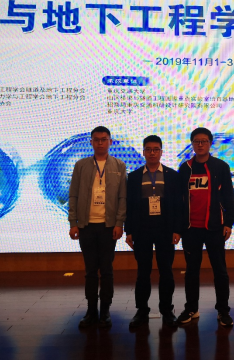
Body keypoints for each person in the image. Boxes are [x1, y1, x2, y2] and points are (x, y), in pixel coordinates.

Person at [68, 126, 127, 328]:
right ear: (91, 142)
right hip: (86, 226)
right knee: (90, 270)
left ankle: (105, 311)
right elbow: (73, 195)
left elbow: (122, 198)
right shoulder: (81, 165)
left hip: (108, 227)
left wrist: (119, 223)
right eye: (96, 139)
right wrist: (73, 223)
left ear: (110, 141)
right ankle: (91, 310)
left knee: (107, 270)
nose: (100, 142)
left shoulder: (119, 165)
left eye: (104, 139)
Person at [177, 128, 234, 327]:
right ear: (192, 144)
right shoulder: (185, 168)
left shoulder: (220, 167)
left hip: (215, 228)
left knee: (220, 271)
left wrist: (228, 222)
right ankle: (191, 308)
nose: (200, 144)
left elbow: (228, 196)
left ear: (210, 143)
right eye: (196, 141)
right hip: (191, 229)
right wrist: (179, 227)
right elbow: (180, 200)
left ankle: (223, 311)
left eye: (204, 141)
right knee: (191, 271)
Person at [125, 135, 185, 328]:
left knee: (166, 271)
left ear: (161, 152)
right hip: (142, 230)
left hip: (165, 230)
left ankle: (167, 310)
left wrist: (177, 229)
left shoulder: (172, 175)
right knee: (143, 272)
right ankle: (141, 311)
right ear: (143, 152)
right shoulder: (134, 177)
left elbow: (178, 205)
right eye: (148, 149)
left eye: (156, 149)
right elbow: (129, 206)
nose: (152, 153)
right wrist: (129, 230)